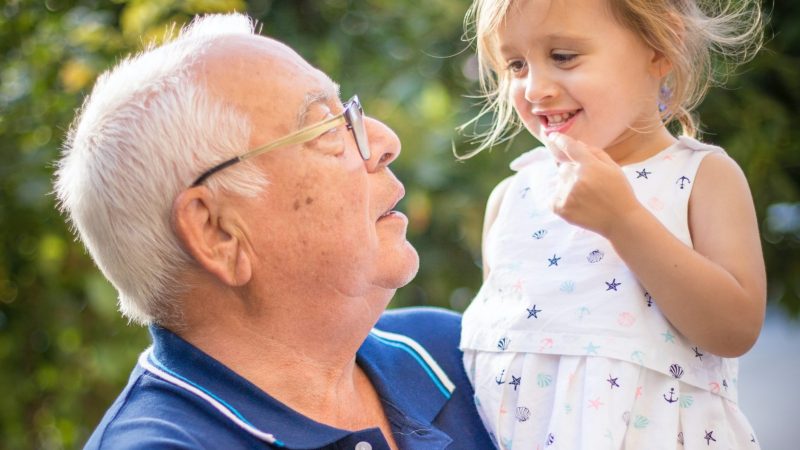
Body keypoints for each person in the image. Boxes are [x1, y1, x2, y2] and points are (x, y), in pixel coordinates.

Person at [54, 13, 493, 449]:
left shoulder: (459, 352)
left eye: (348, 113)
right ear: (217, 232)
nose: (384, 141)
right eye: (325, 127)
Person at [458, 0, 766, 448]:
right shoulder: (511, 199)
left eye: (563, 57)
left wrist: (624, 220)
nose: (534, 88)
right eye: (516, 65)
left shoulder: (701, 178)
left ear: (660, 48)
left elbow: (734, 329)